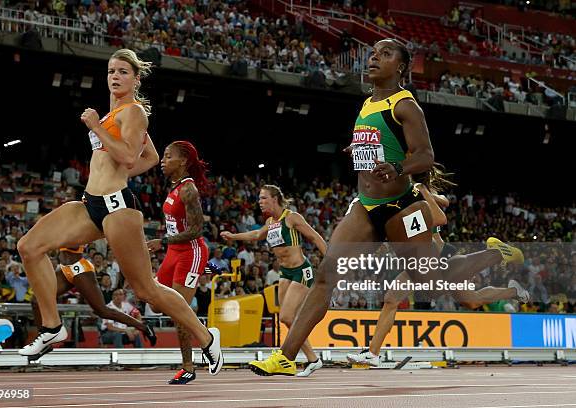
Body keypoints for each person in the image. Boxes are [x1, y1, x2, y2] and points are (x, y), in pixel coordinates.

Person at [16, 49, 222, 375]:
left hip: (118, 208)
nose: (115, 76)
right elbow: (150, 155)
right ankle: (53, 326)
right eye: (111, 70)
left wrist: (97, 128)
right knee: (29, 247)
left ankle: (207, 337)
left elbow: (128, 157)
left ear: (135, 78)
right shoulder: (116, 114)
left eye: (123, 71)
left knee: (146, 290)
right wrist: (106, 134)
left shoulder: (134, 112)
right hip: (90, 205)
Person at [249, 38, 445, 376]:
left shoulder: (405, 105)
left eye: (384, 55)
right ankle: (285, 357)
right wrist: (358, 150)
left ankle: (483, 270)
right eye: (372, 53)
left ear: (400, 67)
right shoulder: (368, 104)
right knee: (326, 275)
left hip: (402, 207)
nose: (373, 58)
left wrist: (398, 168)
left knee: (429, 280)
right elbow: (379, 143)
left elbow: (426, 156)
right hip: (367, 206)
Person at [347, 166, 529, 365]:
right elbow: (443, 201)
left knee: (393, 298)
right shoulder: (402, 197)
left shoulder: (414, 193)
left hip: (437, 256)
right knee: (472, 301)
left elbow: (441, 216)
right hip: (422, 257)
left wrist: (424, 192)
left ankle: (497, 253)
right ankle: (513, 290)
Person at [222, 185, 327, 377]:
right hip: (285, 273)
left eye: (263, 198)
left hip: (301, 271)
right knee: (288, 319)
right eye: (259, 199)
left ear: (275, 199)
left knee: (287, 317)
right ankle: (312, 359)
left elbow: (315, 237)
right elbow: (255, 235)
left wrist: (330, 262)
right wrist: (233, 236)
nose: (260, 202)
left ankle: (287, 358)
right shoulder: (271, 222)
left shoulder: (292, 217)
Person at [147, 141, 210, 385]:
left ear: (182, 161)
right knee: (156, 302)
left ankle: (188, 367)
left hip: (190, 253)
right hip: (174, 251)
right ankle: (203, 331)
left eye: (167, 156)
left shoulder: (188, 190)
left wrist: (162, 241)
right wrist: (166, 243)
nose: (162, 160)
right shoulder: (174, 188)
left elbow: (196, 230)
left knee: (178, 311)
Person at [30, 247, 156, 347]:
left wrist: (51, 241)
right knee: (36, 300)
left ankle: (144, 326)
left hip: (78, 268)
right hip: (65, 268)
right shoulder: (56, 220)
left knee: (102, 310)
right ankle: (45, 338)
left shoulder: (73, 220)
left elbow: (72, 243)